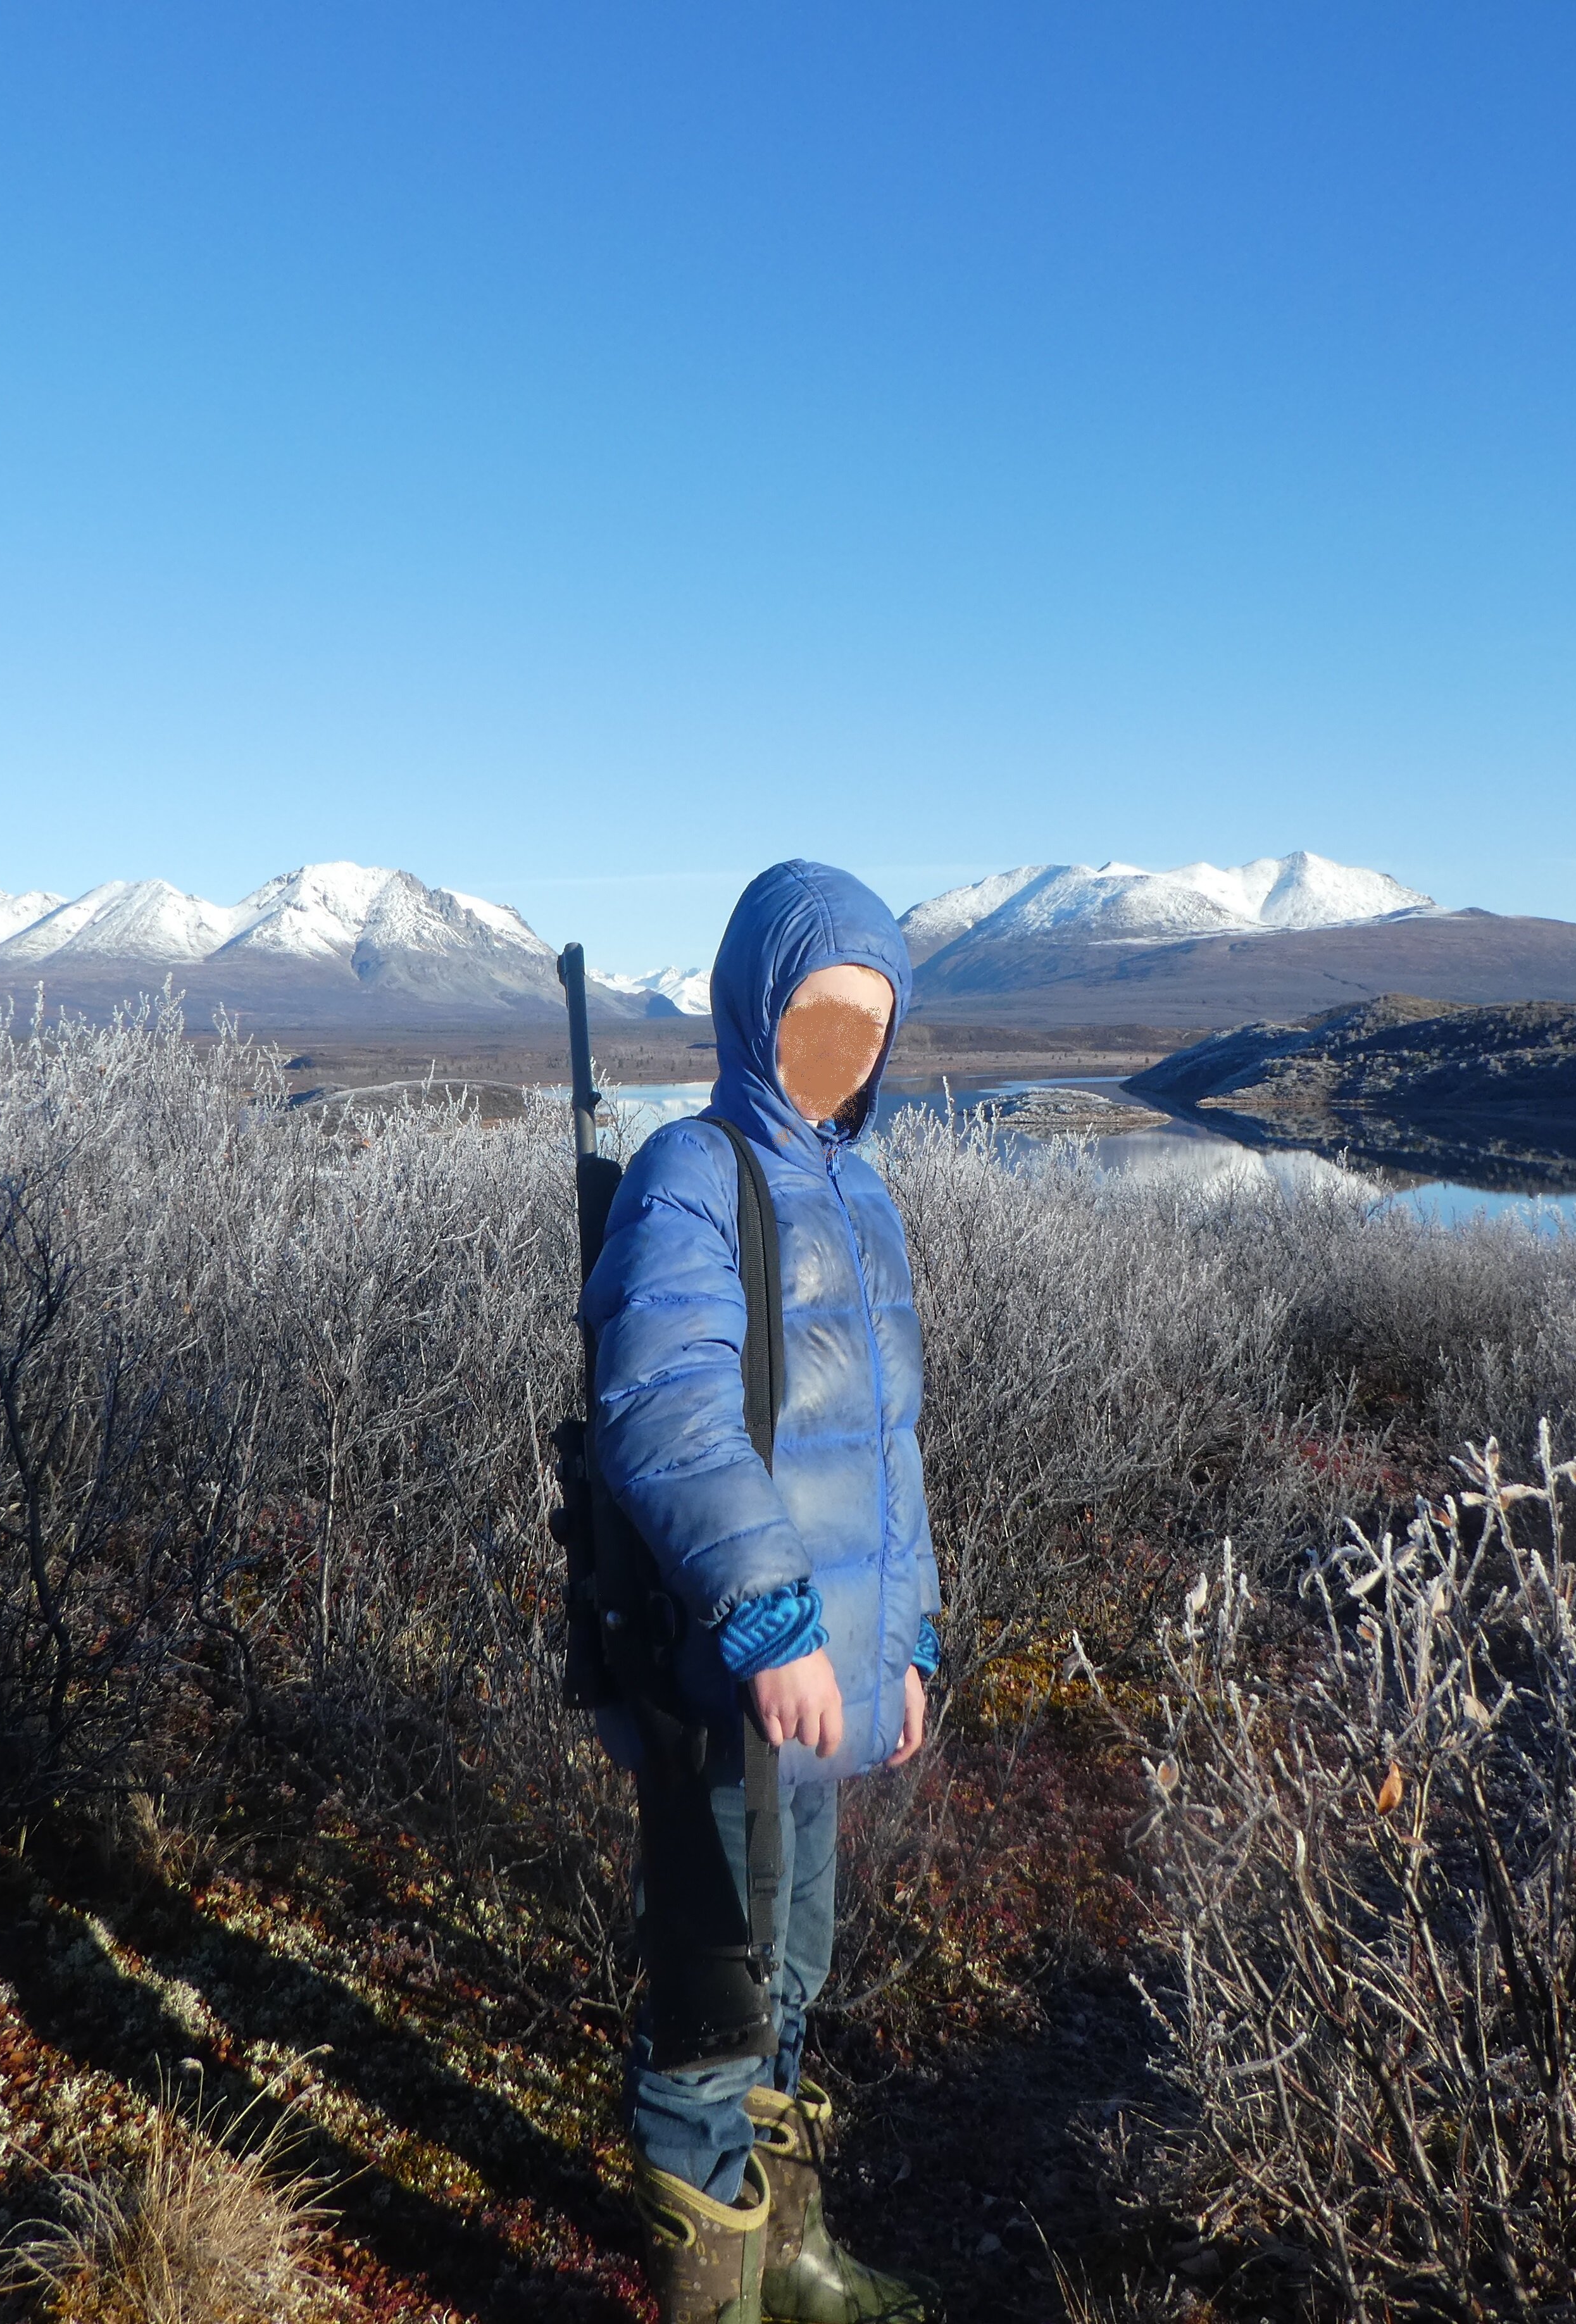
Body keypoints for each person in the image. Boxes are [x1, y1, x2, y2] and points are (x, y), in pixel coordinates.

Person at [582, 860, 940, 2324]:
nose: (841, 1055)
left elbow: (891, 1450)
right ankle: (712, 2297)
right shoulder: (690, 1172)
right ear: (752, 1008)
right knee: (714, 2008)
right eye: (817, 1018)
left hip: (829, 1689)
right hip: (736, 1678)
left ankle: (787, 2260)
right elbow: (663, 1407)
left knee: (791, 1982)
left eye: (868, 1027)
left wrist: (906, 1639)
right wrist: (773, 1614)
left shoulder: (864, 1198)